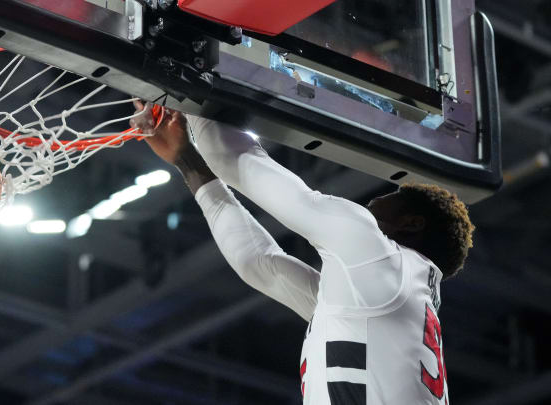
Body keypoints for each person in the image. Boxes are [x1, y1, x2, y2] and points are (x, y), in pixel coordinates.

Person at [131, 101, 474, 405]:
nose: (367, 207)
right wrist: (186, 158)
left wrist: (188, 89)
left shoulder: (376, 256)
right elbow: (260, 264)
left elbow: (233, 158)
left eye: (380, 204)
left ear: (411, 224)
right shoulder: (386, 300)